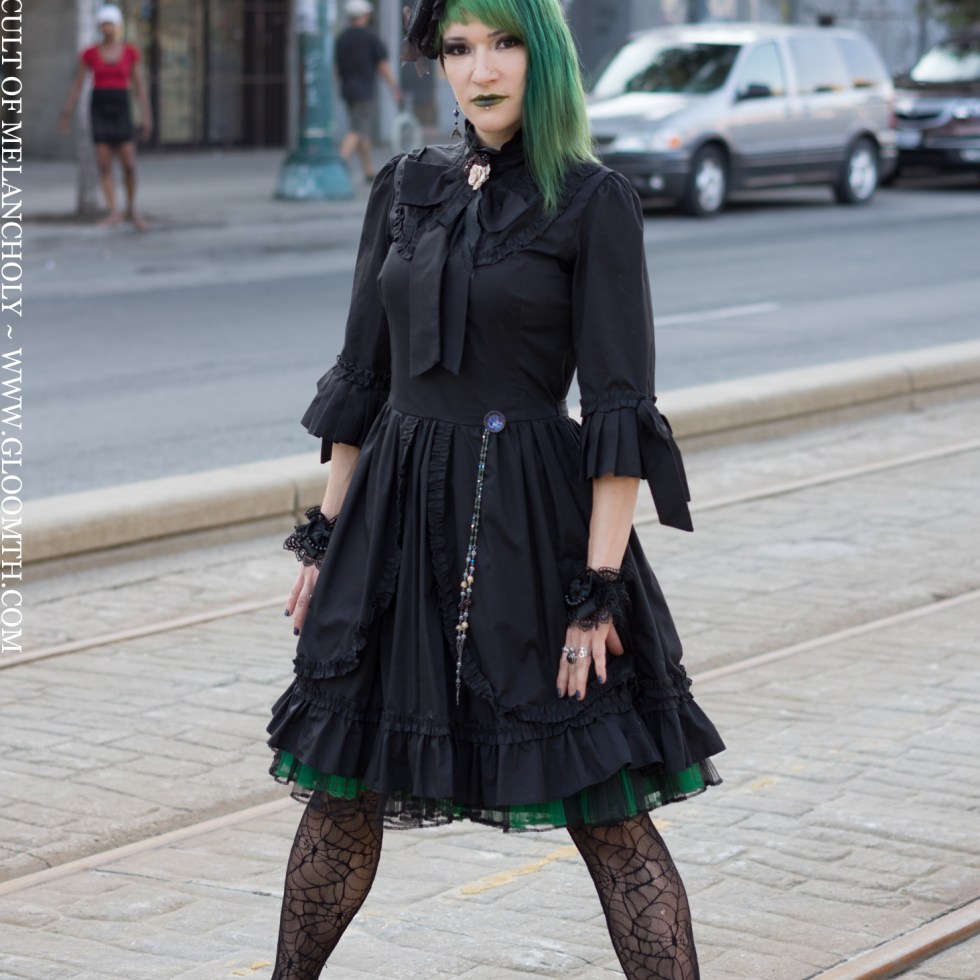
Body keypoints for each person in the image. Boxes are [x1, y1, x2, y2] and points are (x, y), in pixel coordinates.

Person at [268, 0, 724, 977]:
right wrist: (323, 537)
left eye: (504, 41)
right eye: (459, 46)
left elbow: (617, 406)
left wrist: (597, 592)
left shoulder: (590, 199)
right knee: (342, 791)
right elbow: (361, 378)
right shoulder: (402, 186)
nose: (480, 68)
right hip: (394, 517)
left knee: (605, 810)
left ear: (543, 55)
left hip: (530, 520)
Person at [59, 4, 152, 229]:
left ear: (118, 26)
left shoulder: (130, 52)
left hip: (121, 106)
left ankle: (131, 209)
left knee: (129, 162)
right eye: (104, 24)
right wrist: (67, 113)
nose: (107, 28)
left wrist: (147, 116)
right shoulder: (89, 53)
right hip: (99, 106)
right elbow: (78, 83)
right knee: (104, 163)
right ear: (100, 27)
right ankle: (113, 211)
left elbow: (139, 85)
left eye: (111, 23)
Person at [334, 0, 401, 182]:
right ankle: (336, 164)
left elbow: (336, 67)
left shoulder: (342, 38)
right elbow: (383, 65)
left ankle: (368, 170)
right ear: (364, 16)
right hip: (364, 89)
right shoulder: (371, 37)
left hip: (347, 89)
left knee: (362, 130)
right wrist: (394, 87)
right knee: (358, 129)